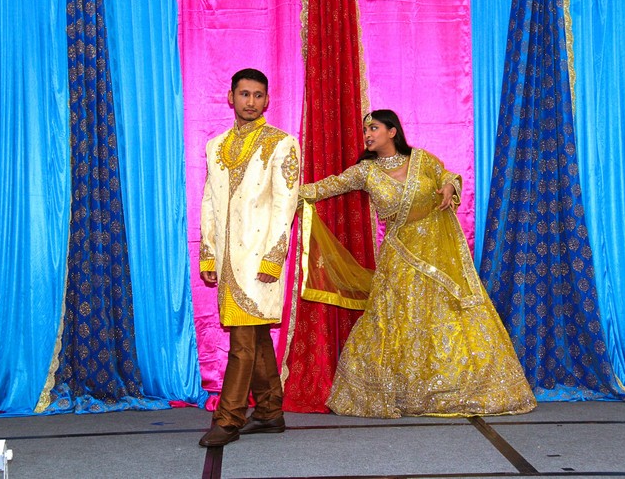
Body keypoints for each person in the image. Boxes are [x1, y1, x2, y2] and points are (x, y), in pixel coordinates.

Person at [298, 109, 536, 418]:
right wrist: (285, 193)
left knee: (447, 318)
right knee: (398, 321)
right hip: (399, 257)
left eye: (374, 128)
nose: (367, 134)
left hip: (437, 255)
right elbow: (328, 186)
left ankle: (456, 388)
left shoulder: (422, 160)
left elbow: (447, 176)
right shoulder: (366, 172)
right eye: (365, 130)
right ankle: (403, 393)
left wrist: (449, 187)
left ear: (392, 131)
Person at [198, 68, 300, 446]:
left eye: (258, 95)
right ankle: (270, 411)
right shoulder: (215, 146)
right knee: (254, 339)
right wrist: (209, 254)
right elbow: (210, 202)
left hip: (260, 260)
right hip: (228, 261)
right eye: (244, 94)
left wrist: (274, 256)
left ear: (267, 100)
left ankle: (228, 419)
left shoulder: (281, 143)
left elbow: (286, 205)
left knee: (242, 342)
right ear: (231, 97)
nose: (251, 102)